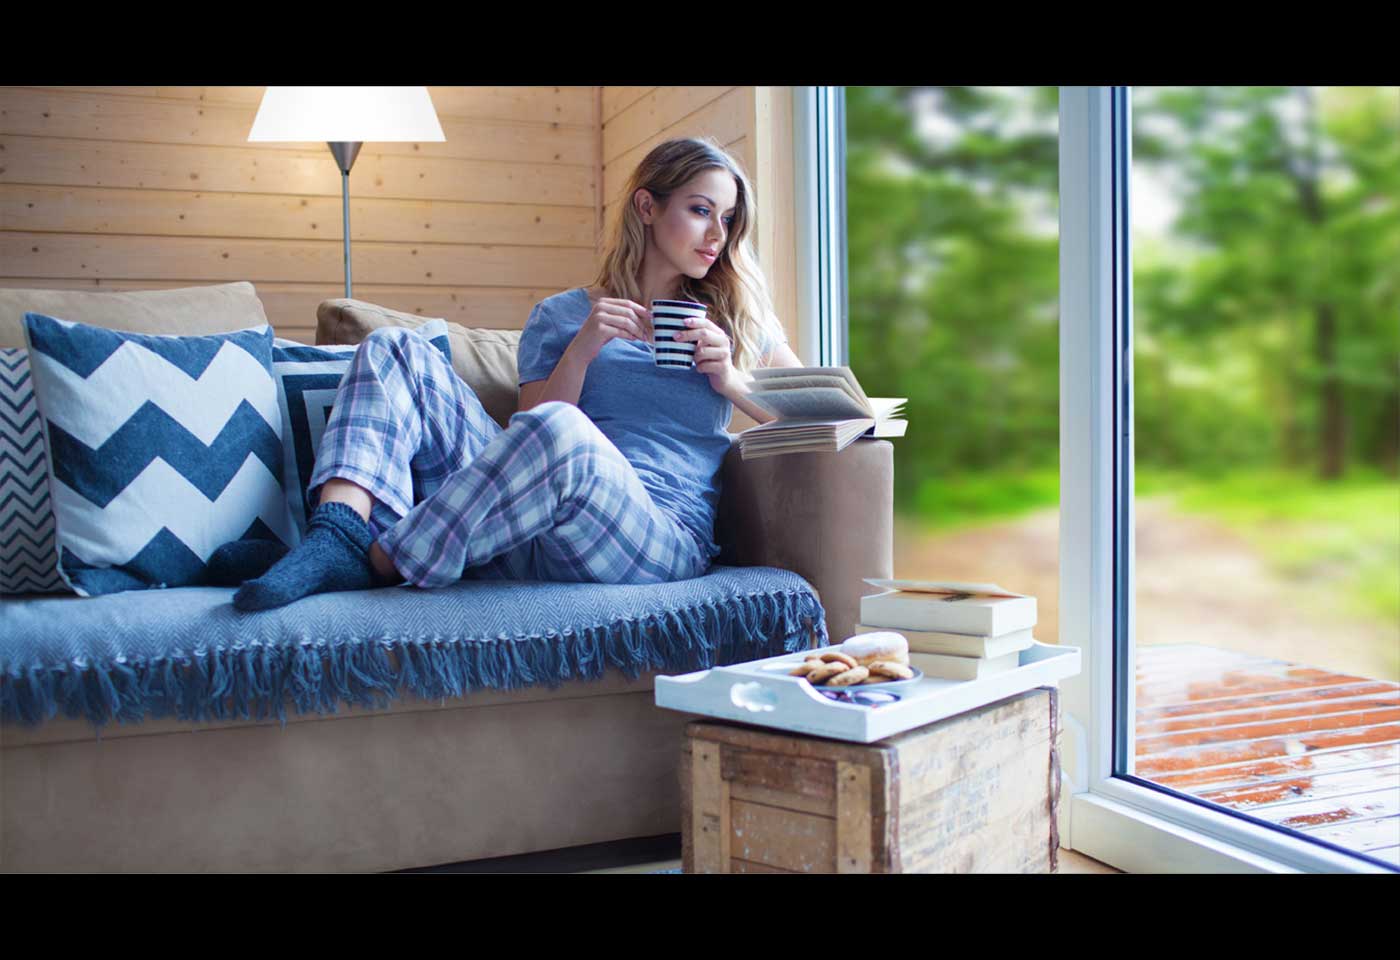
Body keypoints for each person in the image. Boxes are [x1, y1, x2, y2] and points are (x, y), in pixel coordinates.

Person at [219, 137, 804, 611]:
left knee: (565, 431)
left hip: (657, 537)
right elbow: (527, 437)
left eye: (728, 218)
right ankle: (335, 532)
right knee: (395, 347)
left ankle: (372, 562)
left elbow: (829, 421)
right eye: (701, 211)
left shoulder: (737, 319)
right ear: (648, 207)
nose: (717, 234)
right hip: (531, 527)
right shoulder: (563, 316)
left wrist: (731, 381)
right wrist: (582, 350)